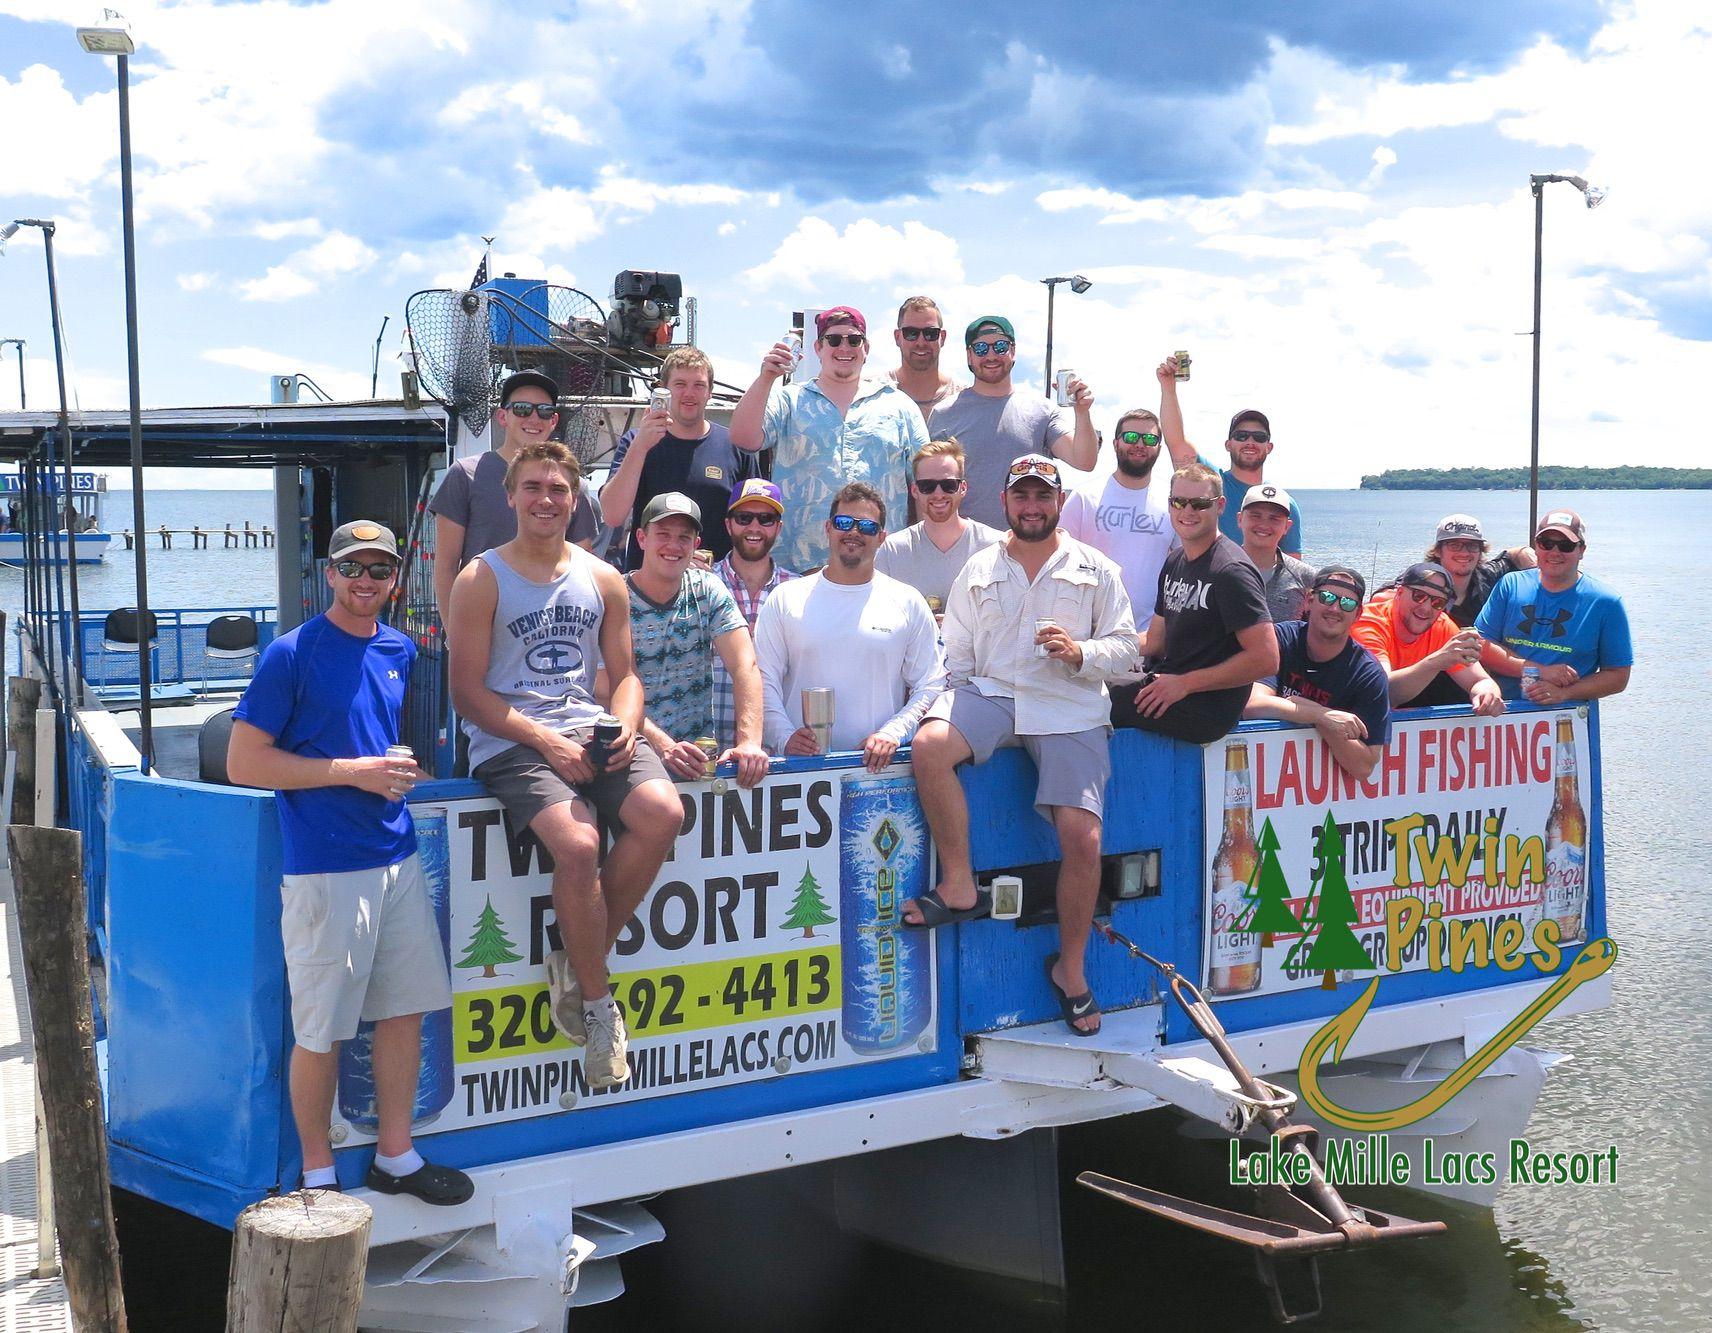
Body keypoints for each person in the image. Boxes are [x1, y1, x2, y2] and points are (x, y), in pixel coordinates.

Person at [227, 520, 472, 1204]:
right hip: (325, 871)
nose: (366, 580)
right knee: (322, 1029)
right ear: (328, 574)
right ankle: (318, 1174)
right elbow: (245, 761)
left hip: (397, 857)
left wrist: (389, 771)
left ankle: (396, 1155)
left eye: (379, 570)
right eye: (353, 567)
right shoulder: (289, 654)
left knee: (404, 1013)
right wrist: (354, 772)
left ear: (396, 581)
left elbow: (377, 741)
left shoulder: (399, 648)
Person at [447, 443, 685, 1089]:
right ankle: (600, 1006)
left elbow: (626, 676)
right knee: (579, 845)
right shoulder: (481, 577)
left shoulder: (602, 575)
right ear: (511, 496)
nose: (546, 499)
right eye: (533, 487)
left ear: (576, 498)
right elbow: (466, 691)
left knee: (664, 812)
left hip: (590, 726)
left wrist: (630, 727)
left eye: (558, 488)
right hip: (511, 740)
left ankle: (577, 957)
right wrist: (545, 743)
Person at [906, 455, 1136, 1038]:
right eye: (1021, 496)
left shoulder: (1098, 568)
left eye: (1043, 496)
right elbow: (954, 652)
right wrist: (955, 703)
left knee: (1083, 840)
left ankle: (1071, 969)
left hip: (1070, 703)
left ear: (1060, 503)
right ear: (1005, 503)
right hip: (994, 694)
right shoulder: (978, 568)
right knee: (930, 746)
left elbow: (1130, 653)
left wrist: (1081, 653)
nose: (1032, 506)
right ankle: (959, 883)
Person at [755, 483, 945, 768]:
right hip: (797, 768)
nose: (854, 532)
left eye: (867, 527)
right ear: (828, 528)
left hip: (877, 770)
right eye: (844, 523)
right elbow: (762, 679)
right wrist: (784, 736)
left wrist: (893, 733)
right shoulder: (785, 598)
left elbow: (931, 684)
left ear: (882, 538)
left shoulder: (908, 602)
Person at [730, 305, 926, 573]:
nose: (844, 347)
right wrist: (767, 377)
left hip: (882, 569)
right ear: (817, 348)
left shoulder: (900, 406)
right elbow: (744, 438)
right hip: (798, 569)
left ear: (866, 348)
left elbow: (924, 486)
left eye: (853, 340)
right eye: (833, 339)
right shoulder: (788, 399)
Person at [1112, 463, 1279, 744]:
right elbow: (1155, 641)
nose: (1188, 512)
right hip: (1169, 684)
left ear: (1220, 506)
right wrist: (1094, 649)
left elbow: (1266, 658)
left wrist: (1185, 684)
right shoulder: (1175, 560)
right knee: (1086, 682)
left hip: (1205, 709)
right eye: (1179, 502)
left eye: (1200, 503)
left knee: (1091, 700)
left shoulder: (1231, 571)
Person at [430, 370, 598, 636]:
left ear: (554, 420)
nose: (533, 418)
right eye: (521, 409)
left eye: (544, 411)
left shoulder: (576, 486)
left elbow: (581, 570)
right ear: (502, 416)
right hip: (482, 628)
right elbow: (446, 566)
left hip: (548, 632)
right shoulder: (464, 475)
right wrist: (456, 636)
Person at [623, 492, 771, 785]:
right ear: (641, 538)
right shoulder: (615, 594)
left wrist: (750, 742)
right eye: (663, 534)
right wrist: (662, 745)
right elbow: (612, 687)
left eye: (684, 537)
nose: (673, 546)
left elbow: (745, 666)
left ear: (696, 545)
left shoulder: (707, 589)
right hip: (634, 761)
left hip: (700, 765)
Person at [926, 316, 1098, 527]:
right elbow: (928, 487)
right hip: (962, 547)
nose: (990, 355)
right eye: (980, 348)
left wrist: (1082, 413)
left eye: (1000, 346)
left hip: (1025, 545)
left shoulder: (1042, 410)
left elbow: (1084, 461)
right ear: (969, 356)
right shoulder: (944, 414)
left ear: (1013, 351)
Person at [601, 347, 759, 569]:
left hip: (717, 586)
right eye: (680, 384)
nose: (689, 393)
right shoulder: (635, 442)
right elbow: (612, 515)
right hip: (649, 589)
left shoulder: (735, 446)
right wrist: (640, 448)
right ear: (664, 390)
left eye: (699, 385)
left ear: (709, 392)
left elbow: (754, 525)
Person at [1244, 566, 1392, 781]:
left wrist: (1310, 714)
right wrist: (1322, 716)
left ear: (1358, 614)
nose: (1335, 608)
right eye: (1327, 597)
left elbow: (1364, 767)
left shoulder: (1368, 674)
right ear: (1309, 601)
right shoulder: (1280, 638)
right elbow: (1253, 706)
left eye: (1347, 603)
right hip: (1262, 774)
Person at [1475, 509, 1632, 705]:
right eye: (1546, 543)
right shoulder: (1511, 584)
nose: (1554, 552)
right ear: (1536, 547)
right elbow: (1481, 644)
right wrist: (1540, 670)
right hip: (1504, 714)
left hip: (1569, 719)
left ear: (1581, 550)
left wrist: (1565, 693)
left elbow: (1618, 676)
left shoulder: (1606, 602)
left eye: (1565, 545)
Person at [1155, 360, 1303, 554]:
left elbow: (1292, 571)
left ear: (1269, 447)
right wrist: (1168, 388)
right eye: (1241, 436)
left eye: (1259, 437)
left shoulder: (1283, 504)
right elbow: (1176, 441)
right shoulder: (1211, 482)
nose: (1250, 442)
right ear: (1228, 444)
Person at [1059, 406, 1176, 623]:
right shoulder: (1083, 498)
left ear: (1159, 447)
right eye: (1131, 437)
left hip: (1152, 636)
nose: (1140, 444)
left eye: (1150, 439)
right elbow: (1057, 561)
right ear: (1115, 443)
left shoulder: (1173, 501)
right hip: (1091, 634)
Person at [711, 478, 799, 748]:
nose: (754, 527)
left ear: (778, 527)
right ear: (728, 524)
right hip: (708, 746)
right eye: (744, 517)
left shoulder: (798, 591)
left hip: (778, 749)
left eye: (766, 519)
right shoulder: (700, 586)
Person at [1352, 561, 1506, 715]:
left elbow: (1481, 680)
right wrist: (1437, 662)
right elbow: (1381, 692)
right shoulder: (1369, 623)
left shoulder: (1442, 625)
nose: (1426, 608)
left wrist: (1487, 695)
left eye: (1437, 602)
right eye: (1418, 596)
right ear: (1399, 594)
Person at [873, 438, 1003, 610]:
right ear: (914, 491)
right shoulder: (893, 550)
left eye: (948, 485)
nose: (939, 494)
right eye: (927, 486)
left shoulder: (995, 546)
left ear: (963, 488)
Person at [1408, 513, 1537, 628]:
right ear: (1437, 551)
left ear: (1481, 551)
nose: (1464, 552)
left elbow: (1516, 554)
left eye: (1472, 546)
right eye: (1454, 545)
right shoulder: (1420, 584)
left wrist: (1537, 574)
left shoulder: (1488, 576)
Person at [1236, 484, 1314, 621]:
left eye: (1274, 518)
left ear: (1287, 527)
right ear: (1240, 519)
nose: (1264, 525)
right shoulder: (1216, 569)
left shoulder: (1306, 577)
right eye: (1256, 515)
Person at [887, 295, 962, 420]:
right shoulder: (874, 393)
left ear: (942, 337)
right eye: (911, 333)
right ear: (897, 337)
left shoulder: (962, 398)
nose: (921, 342)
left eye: (930, 333)